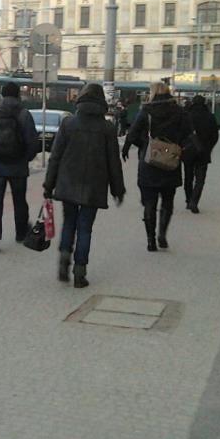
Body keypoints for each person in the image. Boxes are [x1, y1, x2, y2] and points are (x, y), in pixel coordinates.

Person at [43, 84, 125, 288]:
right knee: (85, 228)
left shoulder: (68, 124)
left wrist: (48, 184)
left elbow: (55, 157)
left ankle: (64, 258)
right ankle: (80, 272)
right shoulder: (107, 128)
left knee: (69, 222)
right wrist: (118, 189)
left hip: (68, 182)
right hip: (94, 186)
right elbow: (113, 162)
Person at [122, 82, 192, 251]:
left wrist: (132, 147)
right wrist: (178, 148)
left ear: (152, 93)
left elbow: (132, 133)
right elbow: (187, 134)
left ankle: (150, 240)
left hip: (149, 161)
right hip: (171, 162)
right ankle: (162, 235)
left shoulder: (146, 111)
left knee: (150, 203)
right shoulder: (179, 111)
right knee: (168, 201)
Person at [0, 81, 39, 251]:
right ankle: (21, 233)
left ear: (2, 95)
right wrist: (26, 158)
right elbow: (32, 141)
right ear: (18, 95)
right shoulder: (24, 114)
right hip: (18, 167)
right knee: (19, 201)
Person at [182, 96, 219, 214]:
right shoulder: (210, 116)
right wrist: (209, 148)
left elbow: (180, 133)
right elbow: (215, 136)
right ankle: (194, 201)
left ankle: (188, 200)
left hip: (187, 151)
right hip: (203, 151)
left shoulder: (186, 116)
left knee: (188, 177)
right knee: (200, 179)